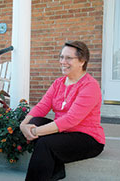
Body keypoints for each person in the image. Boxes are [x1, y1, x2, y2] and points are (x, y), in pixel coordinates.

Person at [20, 41, 105, 181]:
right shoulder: (58, 83)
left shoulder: (90, 86)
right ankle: (57, 170)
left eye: (68, 58)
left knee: (44, 142)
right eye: (61, 57)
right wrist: (23, 125)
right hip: (64, 132)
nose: (62, 62)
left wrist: (33, 132)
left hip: (88, 138)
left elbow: (71, 120)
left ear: (82, 61)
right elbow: (42, 106)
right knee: (35, 121)